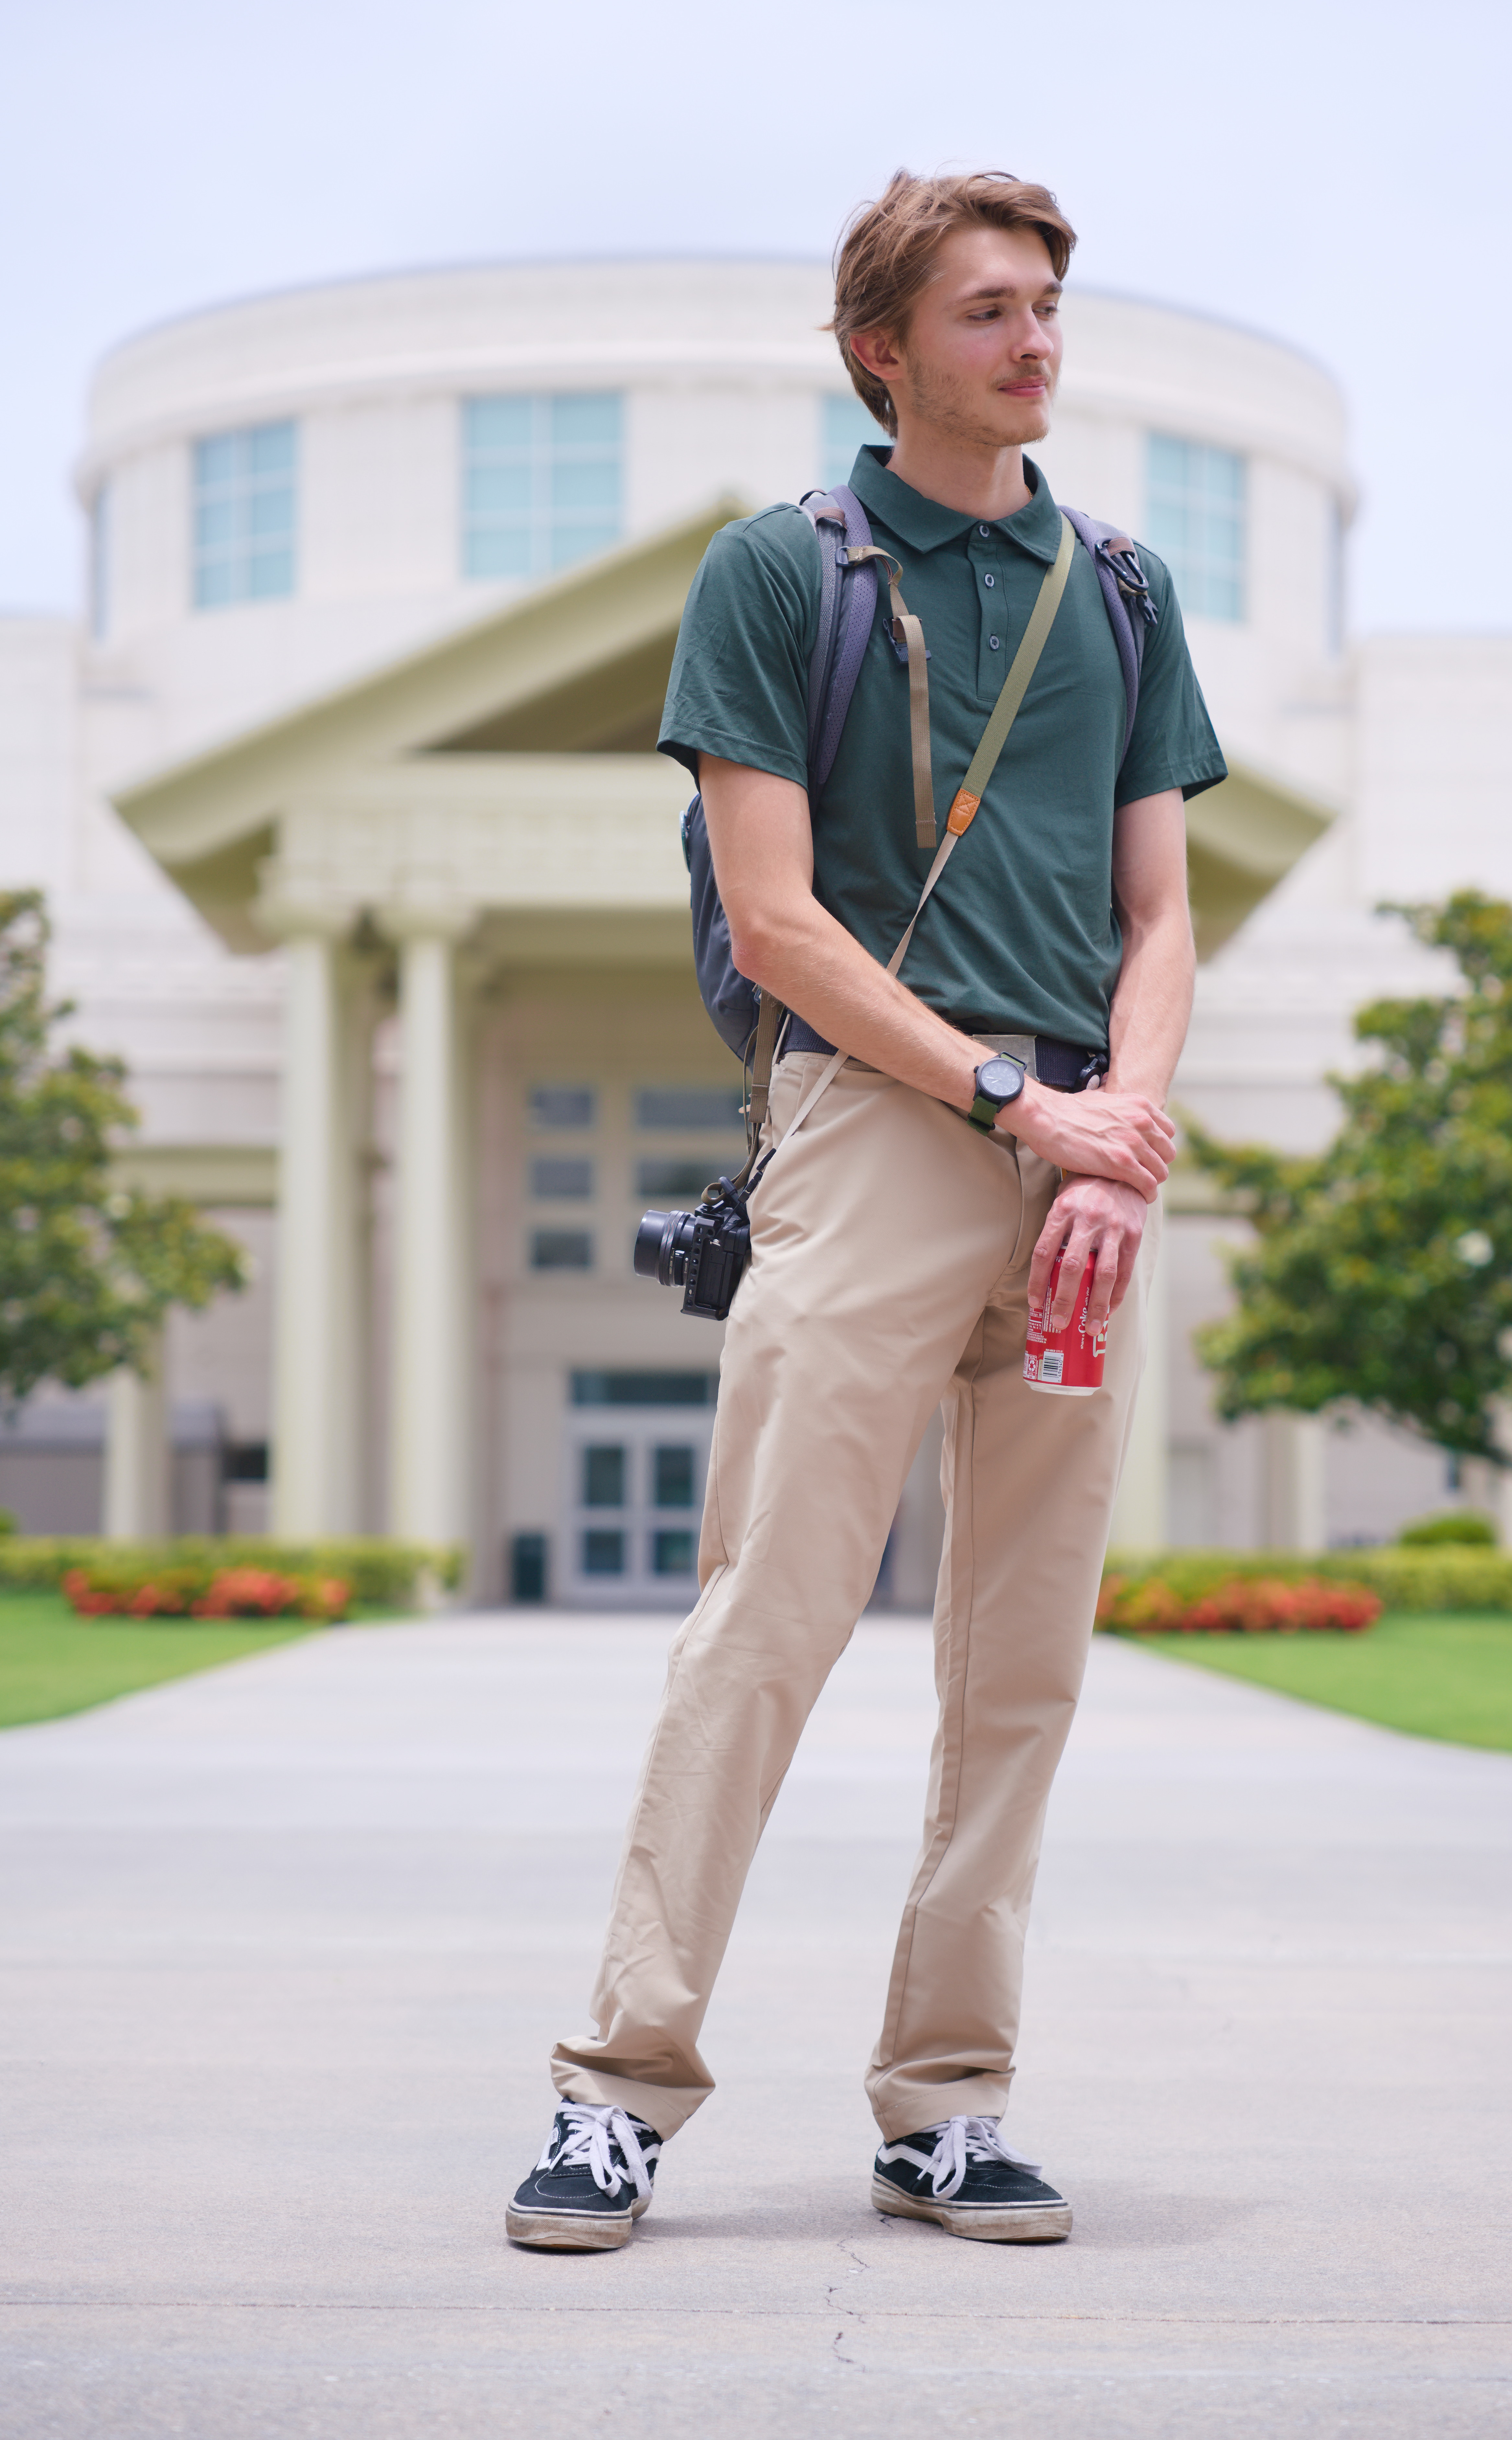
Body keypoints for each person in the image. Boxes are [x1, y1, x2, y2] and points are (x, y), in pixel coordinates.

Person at [506, 170, 1226, 2252]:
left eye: (1048, 306)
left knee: (1024, 1662)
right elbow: (776, 919)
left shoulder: (1125, 585)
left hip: (1085, 1156)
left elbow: (1161, 908)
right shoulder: (775, 571)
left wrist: (1121, 1127)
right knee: (767, 1620)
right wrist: (1019, 1099)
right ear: (882, 350)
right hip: (886, 1127)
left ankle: (949, 2106)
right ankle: (622, 2088)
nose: (1035, 340)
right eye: (988, 309)